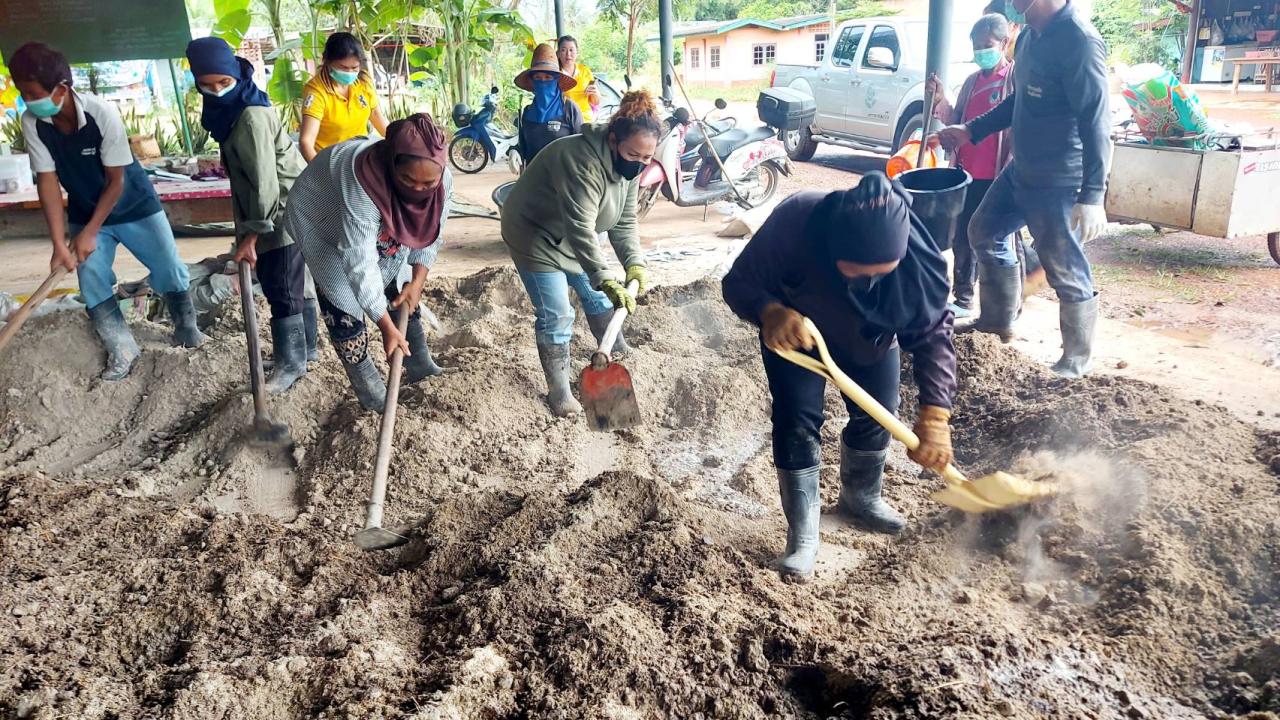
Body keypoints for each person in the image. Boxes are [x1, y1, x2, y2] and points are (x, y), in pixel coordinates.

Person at [722, 173, 957, 583]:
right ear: (833, 248)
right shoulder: (796, 221)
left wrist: (936, 416)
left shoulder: (922, 258)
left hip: (873, 339)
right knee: (797, 421)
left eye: (882, 274)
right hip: (797, 335)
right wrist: (769, 310)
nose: (869, 282)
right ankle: (803, 536)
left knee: (880, 413)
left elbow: (933, 334)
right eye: (857, 273)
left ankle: (860, 497)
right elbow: (738, 282)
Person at [10, 42, 205, 381]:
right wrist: (60, 242)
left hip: (133, 205)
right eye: (23, 93)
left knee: (169, 267)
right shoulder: (34, 123)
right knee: (92, 277)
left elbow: (116, 182)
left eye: (32, 92)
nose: (28, 101)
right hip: (85, 210)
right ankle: (121, 347)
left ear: (61, 89)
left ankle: (187, 330)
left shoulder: (102, 114)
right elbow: (47, 182)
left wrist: (89, 232)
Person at [936, 0, 1110, 378]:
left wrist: (1093, 194)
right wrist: (971, 129)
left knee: (1063, 265)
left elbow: (1095, 118)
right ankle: (998, 324)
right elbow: (1017, 100)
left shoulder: (1079, 41)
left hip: (1059, 178)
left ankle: (1075, 361)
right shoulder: (1030, 36)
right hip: (1022, 170)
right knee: (984, 230)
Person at [500, 90, 656, 418]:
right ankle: (559, 393)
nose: (639, 164)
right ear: (613, 141)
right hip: (535, 234)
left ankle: (615, 348)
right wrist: (604, 277)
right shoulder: (581, 162)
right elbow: (582, 230)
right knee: (558, 314)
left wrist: (634, 263)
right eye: (634, 155)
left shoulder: (630, 165)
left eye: (646, 158)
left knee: (599, 299)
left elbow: (624, 220)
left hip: (571, 235)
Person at [283, 114, 452, 412]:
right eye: (407, 180)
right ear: (391, 165)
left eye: (428, 183)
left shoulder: (442, 183)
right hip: (322, 219)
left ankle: (419, 363)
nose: (417, 189)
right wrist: (385, 326)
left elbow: (430, 233)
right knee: (343, 300)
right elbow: (359, 261)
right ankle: (369, 389)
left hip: (373, 221)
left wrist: (417, 282)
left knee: (398, 284)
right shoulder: (362, 180)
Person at [186, 37, 313, 393]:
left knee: (281, 285)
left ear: (235, 75)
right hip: (271, 210)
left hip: (283, 210)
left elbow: (265, 185)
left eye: (223, 83)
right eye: (207, 86)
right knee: (293, 282)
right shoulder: (234, 110)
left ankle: (292, 363)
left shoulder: (251, 118)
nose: (217, 92)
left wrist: (252, 238)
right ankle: (306, 352)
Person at [927, 15, 1015, 319]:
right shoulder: (972, 81)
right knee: (962, 236)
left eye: (987, 46)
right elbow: (957, 119)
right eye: (976, 47)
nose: (982, 52)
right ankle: (964, 298)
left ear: (1004, 43)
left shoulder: (1013, 80)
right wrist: (940, 99)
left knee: (997, 240)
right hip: (967, 172)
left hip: (999, 174)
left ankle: (1006, 306)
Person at [299, 32, 390, 162]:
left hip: (360, 159)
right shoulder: (317, 92)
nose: (349, 72)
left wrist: (398, 142)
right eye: (343, 67)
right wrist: (319, 173)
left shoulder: (363, 81)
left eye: (354, 68)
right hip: (330, 163)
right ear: (327, 61)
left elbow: (375, 115)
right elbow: (306, 142)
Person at [515, 43, 583, 163]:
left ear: (556, 79)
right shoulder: (527, 112)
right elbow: (523, 147)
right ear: (532, 80)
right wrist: (514, 151)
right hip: (534, 177)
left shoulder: (569, 109)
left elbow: (582, 147)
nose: (543, 82)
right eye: (538, 78)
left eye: (548, 77)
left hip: (563, 178)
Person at [556, 36, 600, 124]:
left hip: (586, 119)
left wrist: (595, 93)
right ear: (558, 53)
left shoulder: (585, 71)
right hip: (564, 120)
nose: (568, 54)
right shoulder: (555, 73)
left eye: (571, 50)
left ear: (577, 52)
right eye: (564, 50)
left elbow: (595, 102)